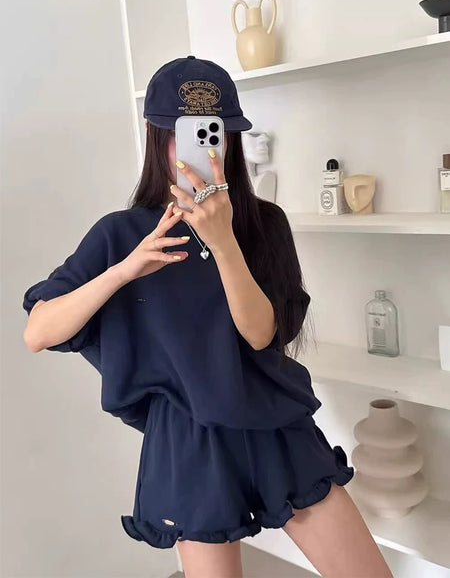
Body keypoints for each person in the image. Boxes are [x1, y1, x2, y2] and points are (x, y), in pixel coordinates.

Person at [22, 55, 393, 578]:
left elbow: (260, 334)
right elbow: (38, 332)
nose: (204, 150)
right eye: (186, 135)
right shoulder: (120, 233)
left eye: (215, 135)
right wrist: (124, 270)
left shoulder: (264, 223)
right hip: (187, 442)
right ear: (156, 136)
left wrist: (223, 241)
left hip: (273, 421)